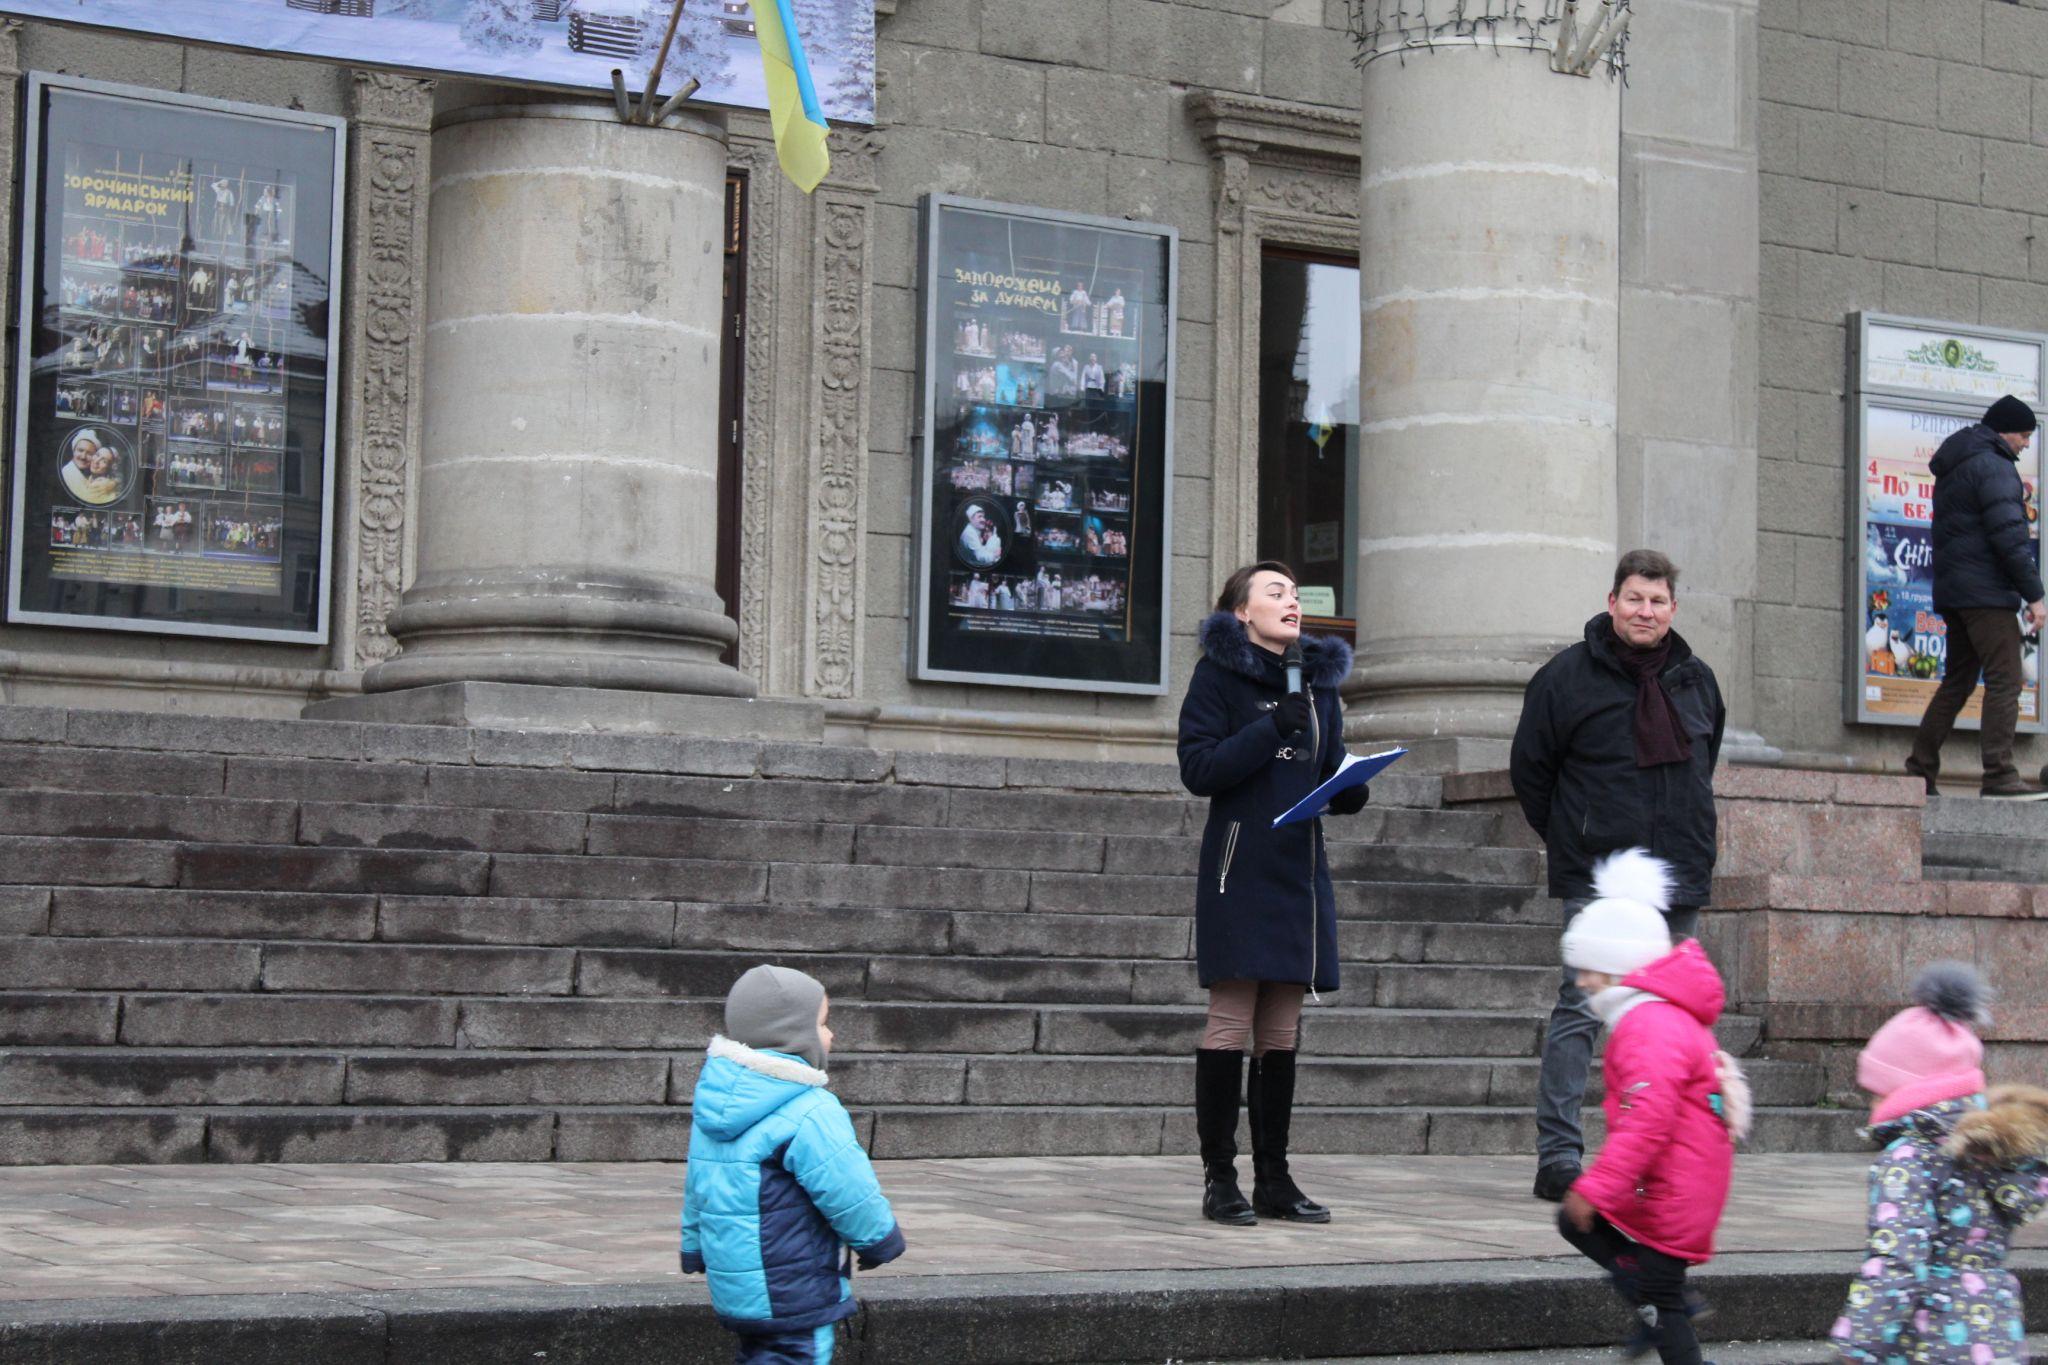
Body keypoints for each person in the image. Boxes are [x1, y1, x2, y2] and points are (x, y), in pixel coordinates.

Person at [1510, 549, 1725, 1204]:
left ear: (1673, 609)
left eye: (1658, 601)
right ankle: (1560, 1154)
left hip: (1678, 869)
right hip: (1600, 875)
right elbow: (1531, 770)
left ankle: (1660, 1150)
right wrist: (1575, 839)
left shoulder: (1696, 679)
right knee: (1580, 1009)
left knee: (1674, 1019)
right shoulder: (1566, 677)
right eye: (1634, 598)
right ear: (1612, 602)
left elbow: (1705, 760)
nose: (1645, 611)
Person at [1178, 561, 1369, 1228]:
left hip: (1297, 868)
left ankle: (1275, 1178)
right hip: (1239, 866)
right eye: (1274, 592)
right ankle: (1219, 1178)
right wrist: (1271, 727)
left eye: (1293, 593)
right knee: (1233, 1018)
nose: (1290, 602)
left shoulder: (1317, 682)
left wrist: (1349, 785)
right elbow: (1199, 768)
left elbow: (1327, 765)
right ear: (1241, 613)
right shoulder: (1217, 676)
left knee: (1283, 1029)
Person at [1556, 850, 1746, 1365]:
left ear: (1618, 966)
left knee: (1586, 1226)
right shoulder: (1663, 1017)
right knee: (1646, 1284)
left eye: (1589, 969)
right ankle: (1653, 1300)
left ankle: (1656, 1306)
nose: (1582, 983)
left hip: (1672, 1190)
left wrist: (1594, 1188)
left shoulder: (1647, 1027)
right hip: (1682, 1183)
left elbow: (1647, 1123)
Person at [680, 965, 904, 1365]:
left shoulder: (714, 1105)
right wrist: (878, 1239)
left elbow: (699, 1188)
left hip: (738, 1287)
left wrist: (693, 1247)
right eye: (821, 1023)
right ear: (791, 1033)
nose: (831, 1034)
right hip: (794, 1286)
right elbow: (845, 1187)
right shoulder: (810, 1109)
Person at [1830, 963, 2048, 1365]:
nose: (1872, 1103)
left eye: (1877, 1091)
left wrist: (1858, 1346)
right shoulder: (1992, 1149)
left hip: (1927, 1342)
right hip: (1995, 1337)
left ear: (1905, 1092)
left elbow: (1897, 1262)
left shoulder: (1908, 1159)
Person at [1906, 395, 2048, 800]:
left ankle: (1919, 772)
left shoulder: (1959, 463)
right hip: (1986, 595)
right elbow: (2010, 539)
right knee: (2006, 679)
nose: (2025, 444)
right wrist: (2035, 597)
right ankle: (2000, 775)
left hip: (1956, 593)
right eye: (2024, 435)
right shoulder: (1995, 467)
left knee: (1958, 682)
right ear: (2005, 430)